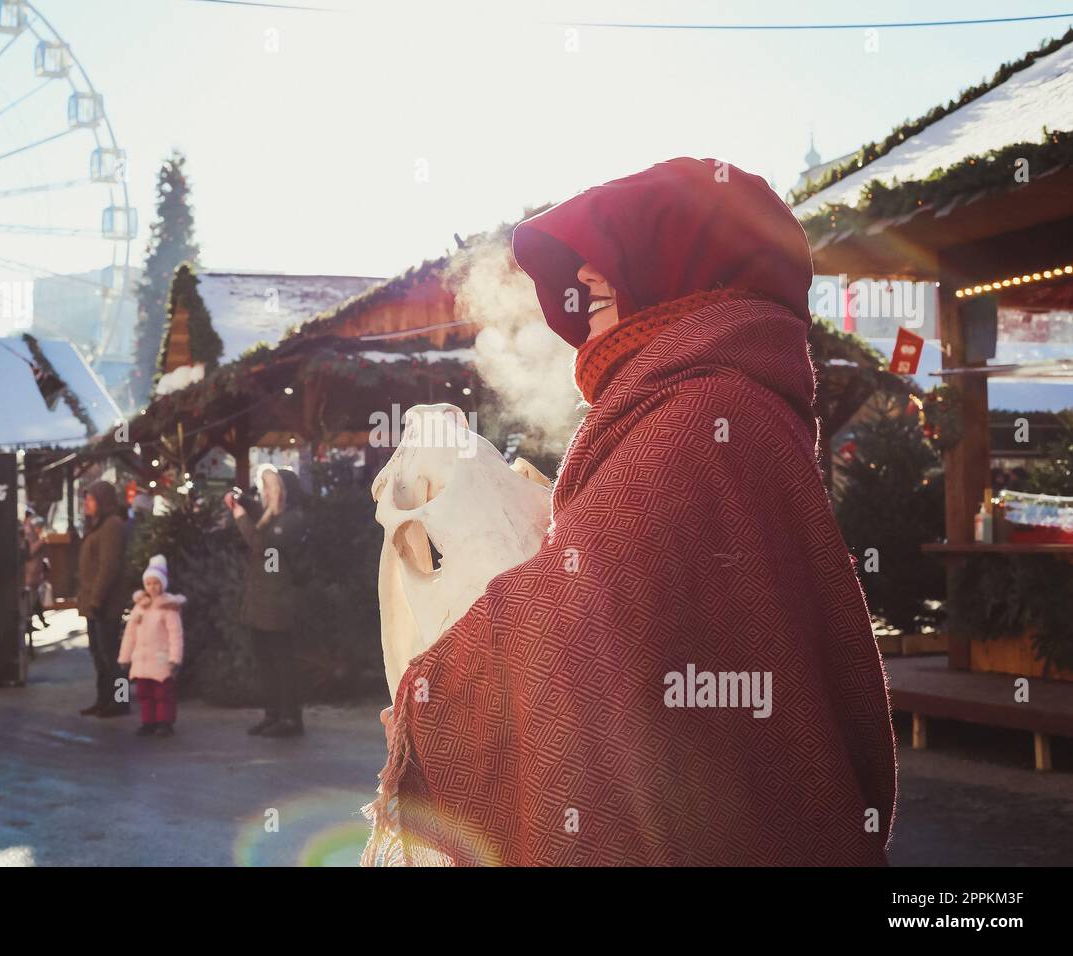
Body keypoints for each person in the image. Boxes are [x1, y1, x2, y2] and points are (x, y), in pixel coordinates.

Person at [365, 158, 897, 866]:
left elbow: (577, 613)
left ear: (687, 264)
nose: (584, 282)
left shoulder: (702, 416)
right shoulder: (706, 404)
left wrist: (435, 704)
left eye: (617, 254)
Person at [224, 465, 308, 738]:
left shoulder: (293, 519)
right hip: (260, 605)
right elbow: (261, 523)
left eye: (271, 487)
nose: (266, 492)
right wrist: (242, 501)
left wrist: (240, 515)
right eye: (264, 487)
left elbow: (264, 544)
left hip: (279, 606)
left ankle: (290, 718)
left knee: (283, 663)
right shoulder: (271, 517)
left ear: (284, 490)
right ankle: (273, 714)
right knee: (266, 662)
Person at [77, 480, 130, 717]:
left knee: (111, 655)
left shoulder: (112, 526)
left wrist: (97, 600)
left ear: (102, 501)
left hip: (105, 604)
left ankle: (120, 700)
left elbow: (109, 566)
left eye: (90, 499)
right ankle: (104, 698)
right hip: (93, 603)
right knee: (99, 654)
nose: (86, 504)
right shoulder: (98, 526)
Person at [118, 555, 185, 738]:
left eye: (156, 583)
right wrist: (124, 657)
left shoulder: (168, 608)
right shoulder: (140, 607)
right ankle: (148, 722)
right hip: (142, 659)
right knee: (144, 694)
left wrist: (175, 658)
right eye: (148, 583)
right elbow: (129, 635)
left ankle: (165, 722)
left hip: (161, 659)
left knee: (163, 693)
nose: (152, 587)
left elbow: (175, 635)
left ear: (163, 584)